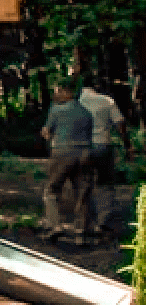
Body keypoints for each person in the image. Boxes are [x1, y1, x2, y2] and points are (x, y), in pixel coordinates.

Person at [42, 81, 96, 240]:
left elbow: (46, 131)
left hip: (62, 153)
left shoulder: (56, 109)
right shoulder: (86, 113)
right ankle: (82, 233)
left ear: (67, 92)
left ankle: (55, 226)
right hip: (85, 154)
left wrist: (49, 137)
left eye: (57, 91)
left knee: (51, 191)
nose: (55, 95)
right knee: (82, 193)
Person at [78, 79, 127, 235]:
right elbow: (120, 123)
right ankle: (103, 221)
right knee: (105, 183)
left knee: (85, 184)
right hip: (103, 145)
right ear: (97, 88)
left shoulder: (76, 103)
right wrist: (127, 144)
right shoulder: (107, 101)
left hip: (83, 147)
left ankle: (86, 222)